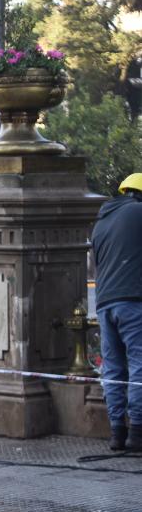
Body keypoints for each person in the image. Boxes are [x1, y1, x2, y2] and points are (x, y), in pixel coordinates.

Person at [91, 173, 142, 451]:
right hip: (134, 300)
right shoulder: (139, 212)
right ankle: (137, 433)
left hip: (105, 303)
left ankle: (116, 434)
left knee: (113, 369)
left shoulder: (101, 221)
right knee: (139, 366)